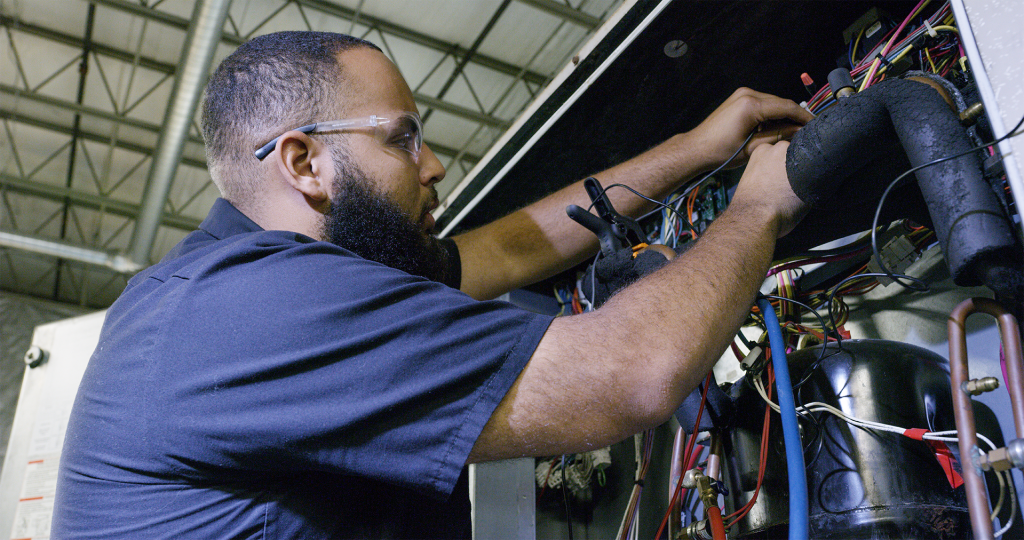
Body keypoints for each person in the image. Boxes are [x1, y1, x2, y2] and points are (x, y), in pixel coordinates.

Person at [52, 31, 812, 539]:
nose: (434, 165)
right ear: (303, 161)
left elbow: (508, 254)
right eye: (401, 138)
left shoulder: (240, 283)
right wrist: (758, 205)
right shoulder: (252, 309)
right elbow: (629, 375)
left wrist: (694, 148)